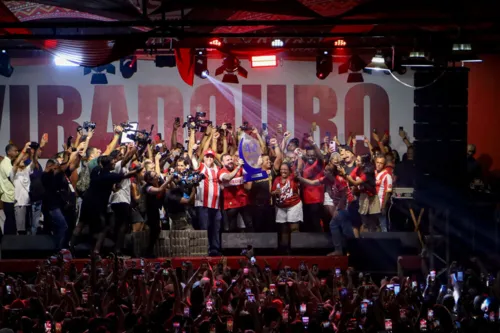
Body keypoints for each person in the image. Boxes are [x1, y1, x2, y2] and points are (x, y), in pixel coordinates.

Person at [272, 163, 303, 251]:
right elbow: (272, 192)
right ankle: (285, 250)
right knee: (283, 228)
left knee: (294, 228)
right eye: (281, 169)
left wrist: (298, 157)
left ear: (289, 171)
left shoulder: (293, 177)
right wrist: (275, 193)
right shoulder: (277, 180)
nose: (283, 171)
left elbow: (298, 170)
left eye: (285, 169)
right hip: (281, 206)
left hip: (294, 205)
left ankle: (296, 249)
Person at [0, 143, 19, 235]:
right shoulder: (6, 163)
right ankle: (9, 241)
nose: (17, 152)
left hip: (9, 196)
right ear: (9, 152)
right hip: (8, 196)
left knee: (10, 219)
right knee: (10, 220)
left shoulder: (7, 162)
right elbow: (11, 177)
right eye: (15, 151)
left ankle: (8, 240)